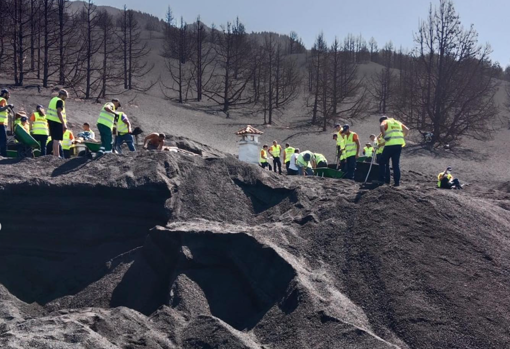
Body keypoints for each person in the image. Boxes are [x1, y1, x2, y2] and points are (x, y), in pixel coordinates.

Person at [377, 116, 409, 187]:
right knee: (395, 165)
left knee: (382, 162)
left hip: (390, 144)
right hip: (399, 145)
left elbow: (381, 126)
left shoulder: (385, 122)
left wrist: (385, 135)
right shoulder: (397, 122)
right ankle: (396, 183)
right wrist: (401, 136)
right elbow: (407, 129)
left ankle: (382, 180)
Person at [46, 89, 69, 158]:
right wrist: (63, 123)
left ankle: (54, 154)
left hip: (50, 120)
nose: (65, 98)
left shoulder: (53, 99)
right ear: (62, 95)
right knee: (57, 139)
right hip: (57, 121)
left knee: (53, 138)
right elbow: (59, 112)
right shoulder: (59, 101)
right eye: (65, 97)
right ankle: (57, 155)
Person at [0, 89, 14, 157]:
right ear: (5, 94)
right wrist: (7, 106)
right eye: (8, 94)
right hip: (1, 123)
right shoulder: (3, 100)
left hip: (2, 123)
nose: (9, 96)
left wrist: (8, 109)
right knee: (3, 139)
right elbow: (0, 109)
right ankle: (3, 154)